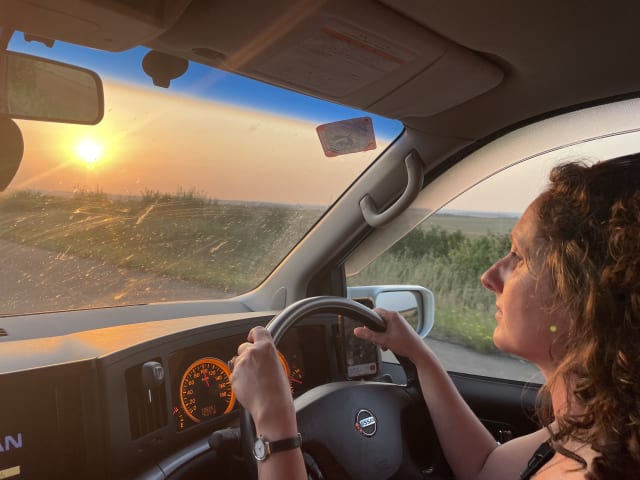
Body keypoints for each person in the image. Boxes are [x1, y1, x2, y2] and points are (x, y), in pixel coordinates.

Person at [230, 156, 640, 479]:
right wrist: (419, 356)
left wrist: (274, 424)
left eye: (519, 256)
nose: (489, 276)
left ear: (587, 290)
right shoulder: (594, 430)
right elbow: (485, 468)